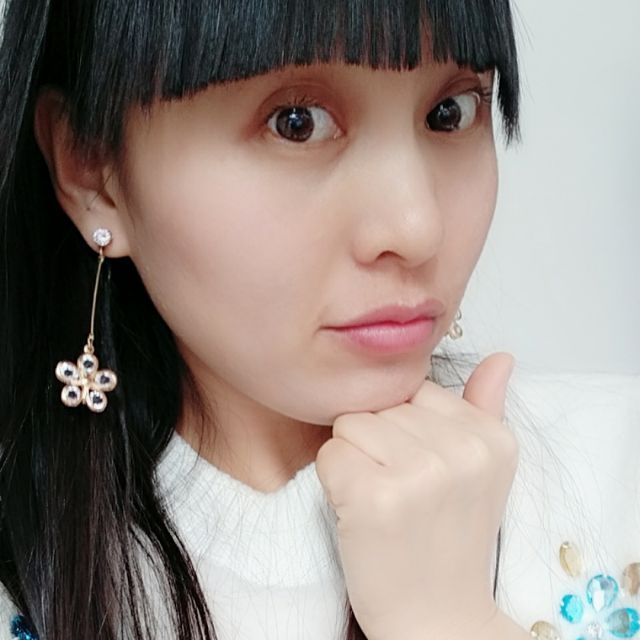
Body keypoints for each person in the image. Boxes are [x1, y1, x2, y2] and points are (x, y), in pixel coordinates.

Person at [1, 1, 638, 640]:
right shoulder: (22, 569)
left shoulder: (618, 472)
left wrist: (452, 623)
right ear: (93, 171)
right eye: (297, 123)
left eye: (450, 112)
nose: (417, 227)